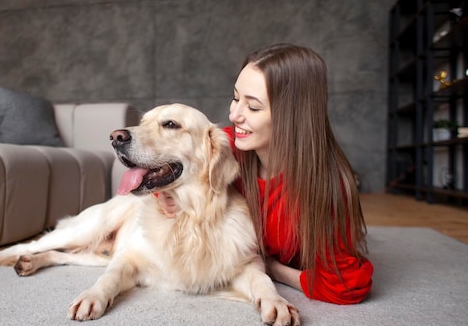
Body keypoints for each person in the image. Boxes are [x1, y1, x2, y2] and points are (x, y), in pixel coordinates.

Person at [159, 43, 373, 304]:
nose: (234, 114)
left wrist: (271, 269)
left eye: (253, 107)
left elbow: (346, 287)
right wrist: (165, 193)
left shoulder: (326, 186)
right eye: (236, 98)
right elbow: (167, 156)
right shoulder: (228, 146)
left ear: (291, 117)